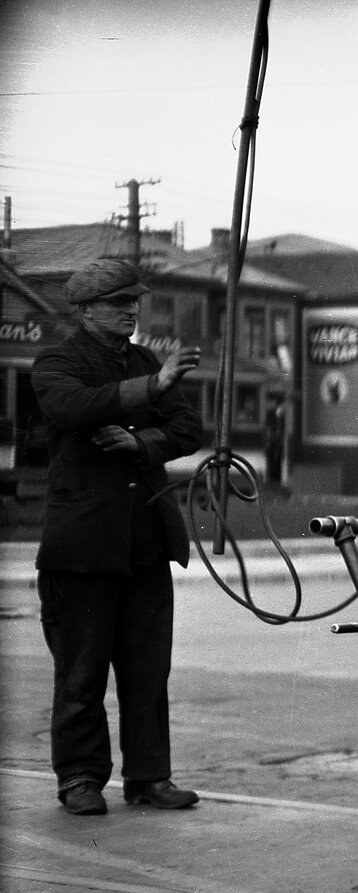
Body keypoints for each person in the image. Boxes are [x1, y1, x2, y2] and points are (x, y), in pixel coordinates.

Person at [32, 258, 204, 816]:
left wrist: (142, 444)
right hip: (83, 548)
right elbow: (71, 406)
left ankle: (149, 778)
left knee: (148, 672)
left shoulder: (145, 359)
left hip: (145, 542)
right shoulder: (57, 361)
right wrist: (152, 388)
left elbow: (187, 428)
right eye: (117, 302)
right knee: (81, 673)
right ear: (85, 310)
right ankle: (80, 778)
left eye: (133, 301)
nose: (131, 309)